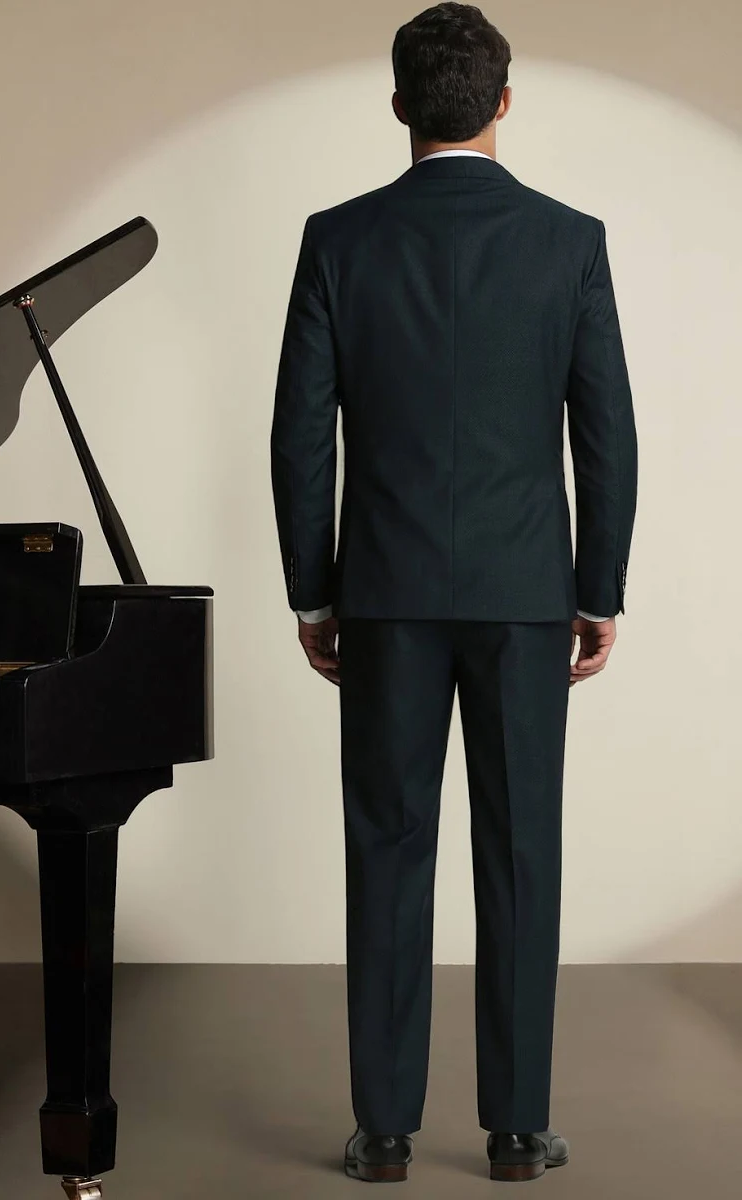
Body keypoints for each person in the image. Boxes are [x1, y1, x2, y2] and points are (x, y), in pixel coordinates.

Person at [270, 1, 637, 1184]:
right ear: (503, 102)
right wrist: (597, 591)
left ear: (397, 106)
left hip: (383, 594)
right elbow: (605, 435)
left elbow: (299, 437)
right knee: (520, 850)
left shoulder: (338, 239)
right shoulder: (567, 241)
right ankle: (516, 1131)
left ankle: (382, 1133)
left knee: (386, 847)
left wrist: (313, 596)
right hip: (525, 593)